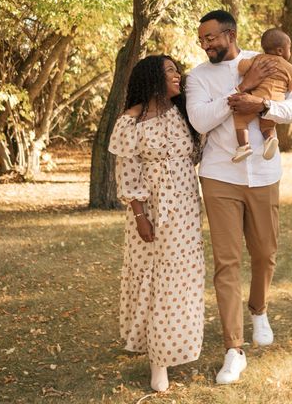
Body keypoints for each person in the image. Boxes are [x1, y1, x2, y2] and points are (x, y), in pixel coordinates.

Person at [186, 10, 292, 385]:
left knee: (265, 254)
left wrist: (264, 105)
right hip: (220, 175)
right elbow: (200, 121)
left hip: (265, 175)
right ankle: (233, 350)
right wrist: (240, 90)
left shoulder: (266, 59)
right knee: (226, 263)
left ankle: (259, 309)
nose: (206, 45)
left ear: (230, 33)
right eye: (202, 40)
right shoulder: (197, 77)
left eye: (211, 38)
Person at [108, 55, 205, 393]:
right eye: (169, 72)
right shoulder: (129, 123)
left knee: (182, 278)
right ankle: (157, 361)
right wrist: (140, 216)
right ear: (152, 79)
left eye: (177, 70)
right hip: (151, 211)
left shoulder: (183, 113)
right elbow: (127, 173)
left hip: (186, 209)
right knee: (155, 279)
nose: (177, 76)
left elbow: (196, 153)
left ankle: (176, 345)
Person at [232, 27, 292, 163]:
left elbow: (241, 68)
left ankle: (244, 146)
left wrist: (243, 62)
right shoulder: (288, 67)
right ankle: (269, 140)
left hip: (256, 97)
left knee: (240, 119)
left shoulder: (259, 58)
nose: (290, 51)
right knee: (267, 126)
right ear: (280, 51)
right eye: (289, 48)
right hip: (276, 102)